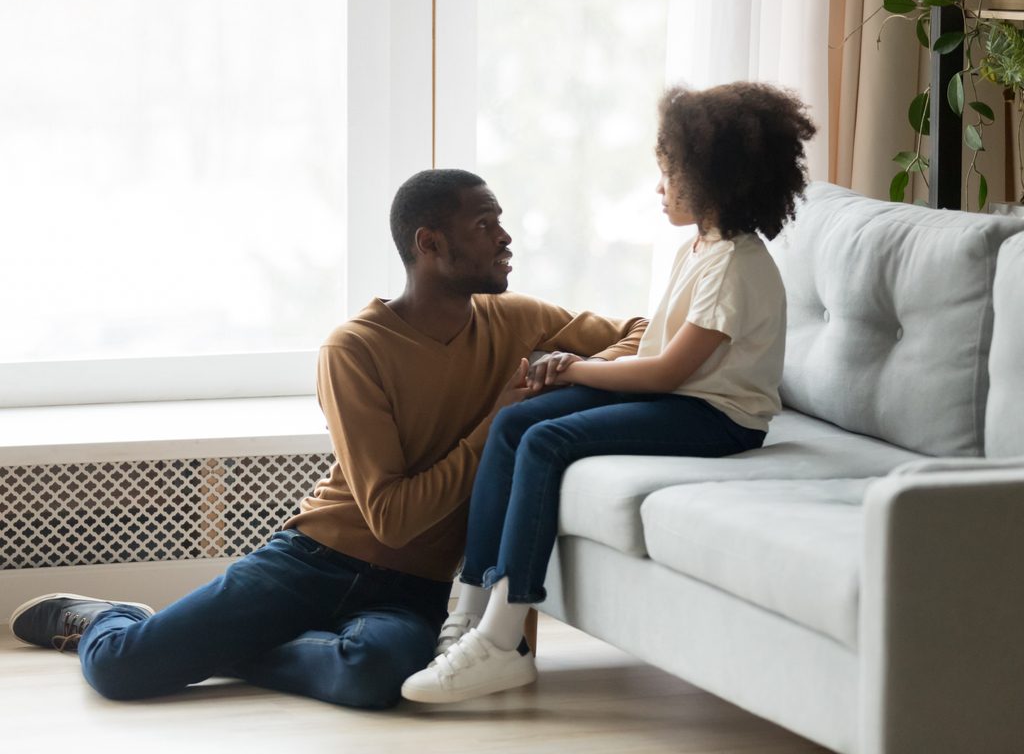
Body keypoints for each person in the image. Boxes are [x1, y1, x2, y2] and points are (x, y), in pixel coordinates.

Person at [9, 168, 646, 709]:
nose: (506, 237)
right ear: (429, 243)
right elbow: (393, 519)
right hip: (312, 563)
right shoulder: (355, 349)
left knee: (381, 674)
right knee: (119, 669)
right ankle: (103, 618)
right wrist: (499, 421)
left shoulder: (521, 321)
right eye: (485, 224)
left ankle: (226, 649)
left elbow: (647, 332)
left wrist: (566, 373)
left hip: (415, 590)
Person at [400, 82, 817, 704]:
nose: (659, 188)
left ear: (713, 178)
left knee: (545, 439)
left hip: (721, 417)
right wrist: (570, 369)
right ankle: (468, 614)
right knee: (518, 422)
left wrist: (573, 368)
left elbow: (664, 376)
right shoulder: (700, 248)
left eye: (668, 173)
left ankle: (501, 640)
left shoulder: (735, 267)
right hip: (682, 400)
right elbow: (655, 364)